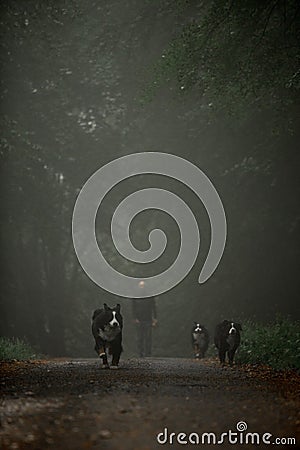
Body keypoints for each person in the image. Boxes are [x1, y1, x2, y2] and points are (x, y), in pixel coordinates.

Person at [132, 281, 158, 357]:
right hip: (139, 319)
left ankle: (148, 353)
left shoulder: (150, 296)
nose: (142, 287)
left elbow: (154, 307)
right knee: (140, 337)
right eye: (141, 286)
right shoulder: (135, 296)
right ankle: (140, 353)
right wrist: (134, 318)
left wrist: (155, 318)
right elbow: (133, 307)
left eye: (143, 286)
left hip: (148, 319)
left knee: (148, 337)